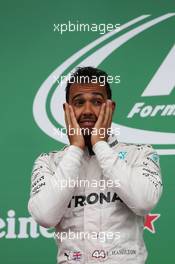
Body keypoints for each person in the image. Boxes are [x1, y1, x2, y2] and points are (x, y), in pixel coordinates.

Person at [28, 67, 163, 264]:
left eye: (97, 102)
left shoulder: (141, 154)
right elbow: (45, 216)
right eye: (79, 102)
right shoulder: (49, 162)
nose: (88, 111)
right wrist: (75, 149)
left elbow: (143, 202)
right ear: (68, 110)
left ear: (111, 107)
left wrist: (100, 144)